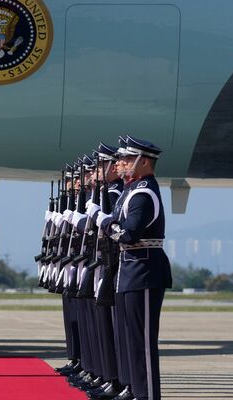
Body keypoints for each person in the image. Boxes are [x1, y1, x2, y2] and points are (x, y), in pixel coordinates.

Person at [90, 136, 172, 400]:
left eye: (127, 159)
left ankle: (147, 395)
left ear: (144, 161)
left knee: (143, 342)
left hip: (144, 270)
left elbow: (129, 234)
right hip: (130, 270)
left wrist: (104, 222)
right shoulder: (132, 189)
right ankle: (135, 390)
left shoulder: (144, 192)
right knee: (129, 338)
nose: (121, 163)